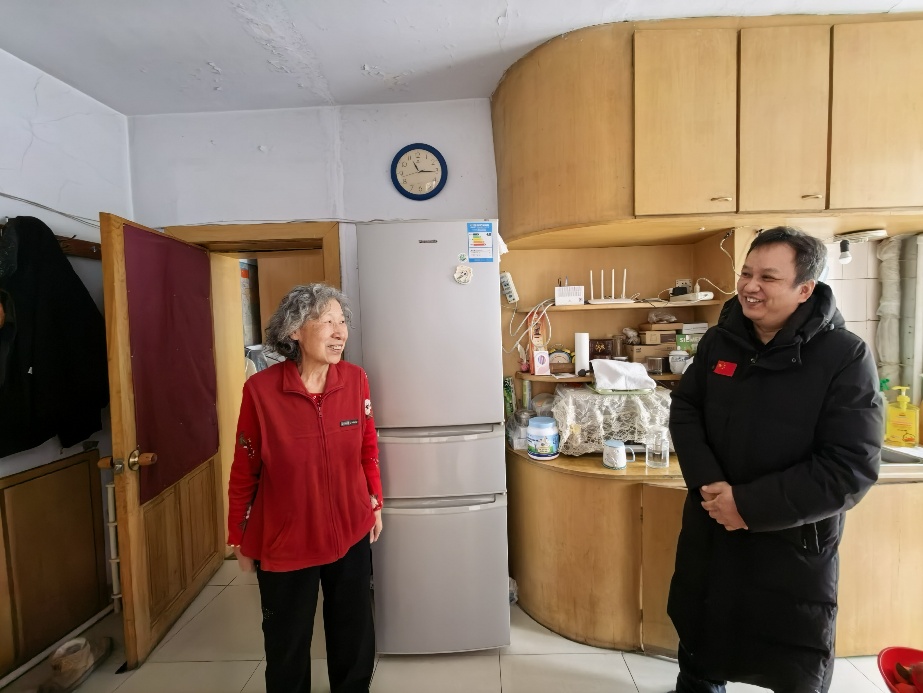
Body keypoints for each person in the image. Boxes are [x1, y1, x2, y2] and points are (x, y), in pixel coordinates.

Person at [667, 227, 883, 693]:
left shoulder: (844, 356)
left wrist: (747, 505)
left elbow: (849, 467)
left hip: (791, 543)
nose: (750, 286)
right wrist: (709, 485)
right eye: (746, 273)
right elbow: (685, 409)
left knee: (791, 657)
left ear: (805, 289)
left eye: (768, 277)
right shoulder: (720, 341)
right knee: (702, 637)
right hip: (712, 525)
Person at [227, 283, 383, 693]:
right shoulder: (261, 391)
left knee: (354, 636)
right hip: (286, 540)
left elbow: (367, 447)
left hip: (350, 531)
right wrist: (239, 535)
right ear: (294, 330)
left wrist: (375, 503)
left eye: (342, 322)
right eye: (327, 321)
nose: (339, 332)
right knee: (287, 645)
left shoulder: (355, 380)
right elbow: (245, 468)